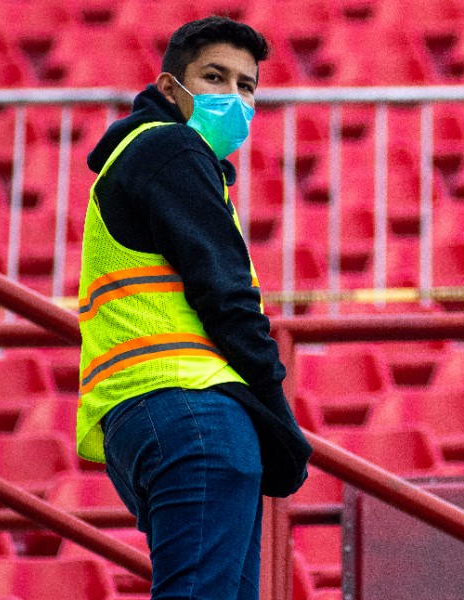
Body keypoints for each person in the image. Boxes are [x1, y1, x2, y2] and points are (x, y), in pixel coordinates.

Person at [76, 16, 311, 600]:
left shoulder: (142, 158)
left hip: (146, 417)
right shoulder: (172, 149)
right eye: (214, 76)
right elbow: (228, 295)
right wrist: (277, 410)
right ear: (168, 88)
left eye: (247, 85)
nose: (233, 97)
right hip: (192, 411)